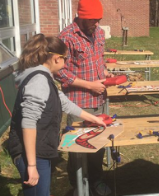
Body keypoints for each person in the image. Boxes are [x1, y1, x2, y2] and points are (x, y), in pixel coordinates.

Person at [8, 34, 106, 196]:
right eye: (66, 58)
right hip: (32, 154)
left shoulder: (44, 78)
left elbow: (64, 102)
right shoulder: (39, 80)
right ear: (56, 59)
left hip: (39, 150)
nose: (66, 63)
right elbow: (29, 122)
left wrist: (94, 119)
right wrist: (31, 166)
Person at [55, 0, 112, 196]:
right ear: (80, 15)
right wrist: (89, 85)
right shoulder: (66, 37)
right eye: (92, 19)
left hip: (100, 98)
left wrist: (104, 72)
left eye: (99, 19)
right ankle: (78, 184)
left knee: (97, 142)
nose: (96, 23)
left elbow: (98, 58)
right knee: (79, 146)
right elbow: (59, 71)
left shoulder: (99, 33)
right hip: (78, 102)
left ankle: (96, 180)